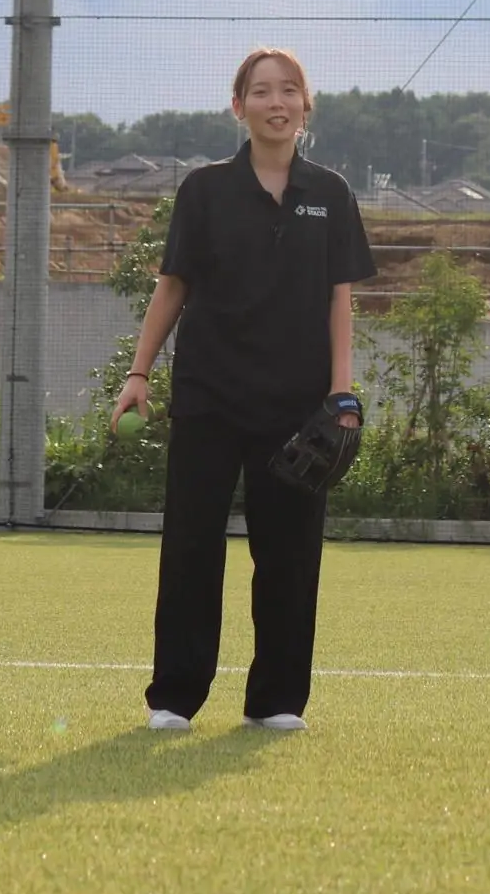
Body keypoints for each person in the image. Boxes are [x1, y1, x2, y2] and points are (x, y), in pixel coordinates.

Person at [112, 47, 374, 732]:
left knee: (288, 556)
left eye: (290, 91)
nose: (276, 102)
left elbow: (339, 298)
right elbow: (173, 286)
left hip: (297, 406)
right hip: (208, 396)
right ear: (239, 106)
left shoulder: (332, 193)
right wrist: (138, 374)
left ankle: (278, 701)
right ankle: (174, 697)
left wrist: (341, 395)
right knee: (191, 547)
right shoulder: (203, 191)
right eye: (261, 91)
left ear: (306, 107)